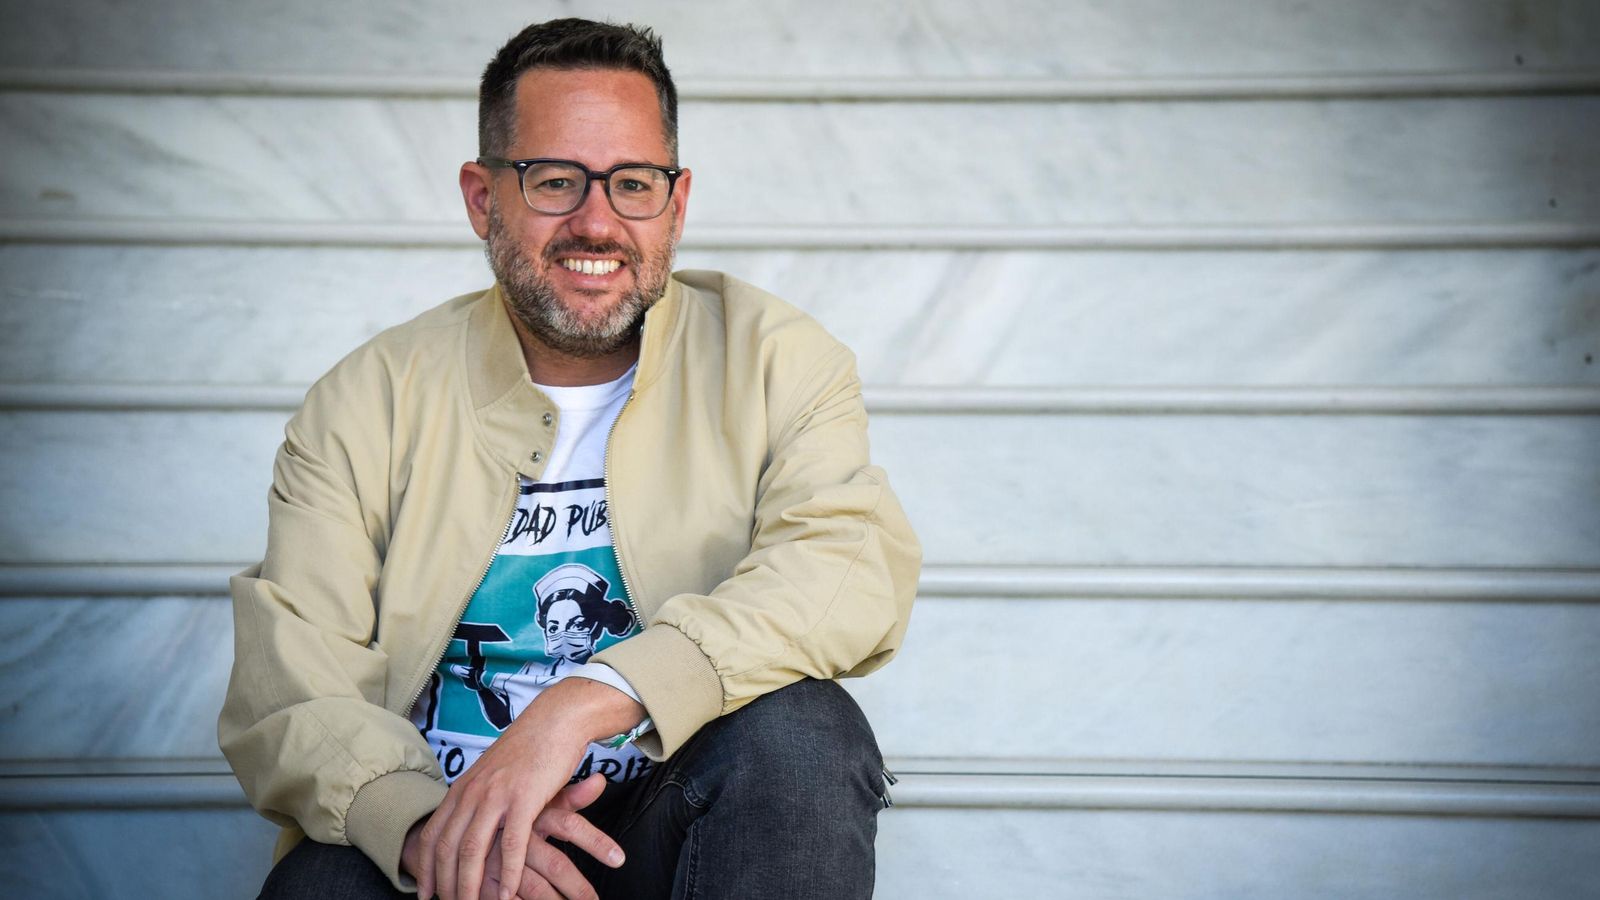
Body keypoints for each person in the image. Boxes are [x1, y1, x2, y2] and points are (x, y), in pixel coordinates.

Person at [219, 17, 921, 900]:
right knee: (323, 884)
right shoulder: (369, 399)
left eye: (633, 183)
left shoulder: (776, 360)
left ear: (677, 200)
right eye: (554, 180)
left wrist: (592, 695)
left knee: (807, 734)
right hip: (445, 849)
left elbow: (845, 568)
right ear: (482, 198)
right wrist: (426, 826)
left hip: (672, 830)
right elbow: (292, 679)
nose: (598, 222)